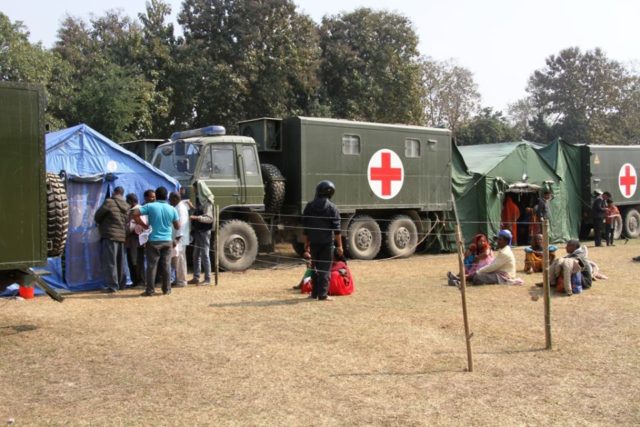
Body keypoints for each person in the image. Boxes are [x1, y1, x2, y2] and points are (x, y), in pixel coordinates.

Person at [133, 186, 180, 296]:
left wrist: (144, 226)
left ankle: (150, 290)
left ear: (156, 196)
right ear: (167, 196)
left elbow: (134, 213)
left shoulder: (150, 206)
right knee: (166, 265)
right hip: (167, 240)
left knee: (151, 266)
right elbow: (177, 226)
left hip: (153, 241)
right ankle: (167, 289)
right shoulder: (172, 209)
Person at [302, 180, 343, 301]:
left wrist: (306, 243)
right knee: (325, 268)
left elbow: (306, 228)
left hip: (314, 242)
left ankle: (314, 294)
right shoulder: (332, 208)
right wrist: (340, 246)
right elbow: (337, 230)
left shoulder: (309, 206)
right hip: (326, 244)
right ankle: (323, 295)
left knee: (314, 267)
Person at [94, 186, 129, 293]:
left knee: (110, 262)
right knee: (121, 261)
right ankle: (122, 284)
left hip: (110, 235)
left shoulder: (109, 202)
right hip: (121, 236)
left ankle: (112, 286)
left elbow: (97, 216)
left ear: (114, 192)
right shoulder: (126, 205)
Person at [189, 181, 214, 285]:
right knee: (196, 255)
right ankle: (196, 277)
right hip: (199, 230)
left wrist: (195, 217)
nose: (193, 190)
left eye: (194, 188)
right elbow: (200, 211)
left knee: (205, 255)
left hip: (204, 231)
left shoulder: (207, 202)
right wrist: (193, 208)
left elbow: (209, 218)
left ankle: (208, 279)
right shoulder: (200, 200)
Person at [125, 193, 145, 288]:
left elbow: (134, 226)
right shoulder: (135, 210)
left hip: (135, 240)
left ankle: (140, 281)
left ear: (131, 202)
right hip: (133, 240)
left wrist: (126, 232)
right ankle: (135, 281)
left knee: (136, 261)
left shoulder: (137, 211)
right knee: (132, 260)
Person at [169, 191, 190, 287]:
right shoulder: (177, 207)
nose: (169, 201)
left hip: (179, 239)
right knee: (176, 260)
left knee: (180, 260)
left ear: (175, 199)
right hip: (177, 238)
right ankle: (178, 279)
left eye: (170, 199)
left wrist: (177, 240)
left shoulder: (180, 209)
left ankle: (182, 281)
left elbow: (181, 225)